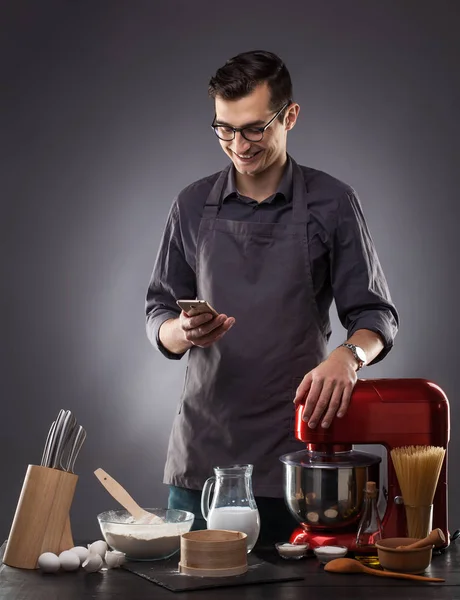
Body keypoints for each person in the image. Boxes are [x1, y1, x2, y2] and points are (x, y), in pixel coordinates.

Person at [145, 50, 399, 544]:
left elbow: (375, 315)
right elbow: (159, 312)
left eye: (254, 128)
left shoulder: (333, 203)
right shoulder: (192, 204)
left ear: (291, 116)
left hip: (299, 457)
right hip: (204, 458)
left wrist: (349, 356)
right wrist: (180, 331)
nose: (239, 145)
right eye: (224, 129)